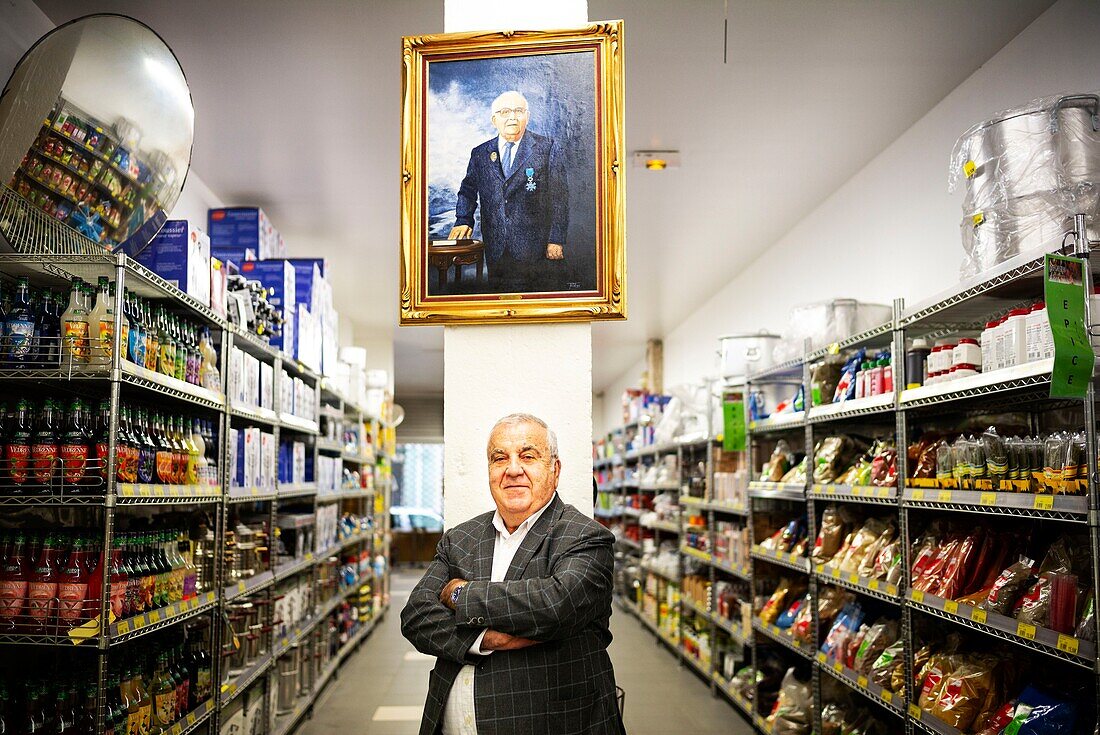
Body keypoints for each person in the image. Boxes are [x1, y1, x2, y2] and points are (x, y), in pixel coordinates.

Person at [401, 413, 623, 735]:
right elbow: (417, 617)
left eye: (528, 456)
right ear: (490, 470)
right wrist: (484, 638)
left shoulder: (585, 537)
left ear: (554, 470)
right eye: (499, 458)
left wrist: (461, 593)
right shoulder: (460, 539)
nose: (513, 469)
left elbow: (553, 606)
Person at [446, 91, 569, 293]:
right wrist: (463, 219)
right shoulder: (480, 153)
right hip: (495, 246)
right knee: (498, 303)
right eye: (505, 112)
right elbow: (467, 191)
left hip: (535, 248)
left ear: (527, 116)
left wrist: (556, 238)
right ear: (494, 119)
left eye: (518, 111)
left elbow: (559, 198)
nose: (512, 117)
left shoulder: (547, 148)